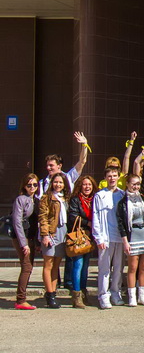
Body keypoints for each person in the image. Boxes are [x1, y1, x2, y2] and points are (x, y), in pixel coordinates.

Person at [118, 167, 144, 307]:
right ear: (127, 184)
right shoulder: (123, 202)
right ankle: (132, 296)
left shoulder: (142, 196)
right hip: (133, 234)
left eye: (138, 184)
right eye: (133, 184)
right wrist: (125, 241)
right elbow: (121, 223)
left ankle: (142, 296)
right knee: (133, 267)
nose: (136, 187)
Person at [93, 165, 126, 309]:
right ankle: (103, 296)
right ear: (105, 178)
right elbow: (96, 217)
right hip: (106, 238)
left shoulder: (123, 194)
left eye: (114, 175)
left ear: (118, 177)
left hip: (120, 237)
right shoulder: (99, 195)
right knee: (104, 269)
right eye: (109, 176)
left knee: (118, 268)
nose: (112, 178)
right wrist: (99, 238)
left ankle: (115, 293)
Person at [38, 172, 70, 309]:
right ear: (52, 183)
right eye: (56, 182)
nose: (58, 184)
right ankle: (49, 294)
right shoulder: (46, 198)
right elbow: (43, 217)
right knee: (48, 264)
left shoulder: (65, 198)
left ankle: (53, 292)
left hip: (63, 232)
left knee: (56, 265)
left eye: (61, 182)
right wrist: (45, 234)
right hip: (51, 232)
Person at [67, 174, 98, 309]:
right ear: (80, 186)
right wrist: (88, 223)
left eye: (89, 184)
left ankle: (84, 294)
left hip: (90, 236)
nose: (87, 187)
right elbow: (73, 216)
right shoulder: (75, 199)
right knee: (78, 264)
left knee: (85, 266)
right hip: (79, 236)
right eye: (85, 184)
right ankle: (76, 296)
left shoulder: (95, 198)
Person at [12, 173, 39, 310]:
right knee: (26, 266)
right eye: (29, 185)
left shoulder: (37, 200)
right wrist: (24, 244)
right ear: (24, 186)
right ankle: (21, 299)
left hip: (32, 237)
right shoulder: (21, 199)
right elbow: (17, 222)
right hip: (22, 237)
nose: (32, 187)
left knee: (29, 267)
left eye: (35, 184)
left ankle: (22, 298)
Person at [38, 132, 89, 196]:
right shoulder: (42, 183)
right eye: (47, 165)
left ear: (59, 166)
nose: (48, 168)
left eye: (51, 165)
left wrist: (84, 145)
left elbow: (82, 162)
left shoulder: (69, 177)